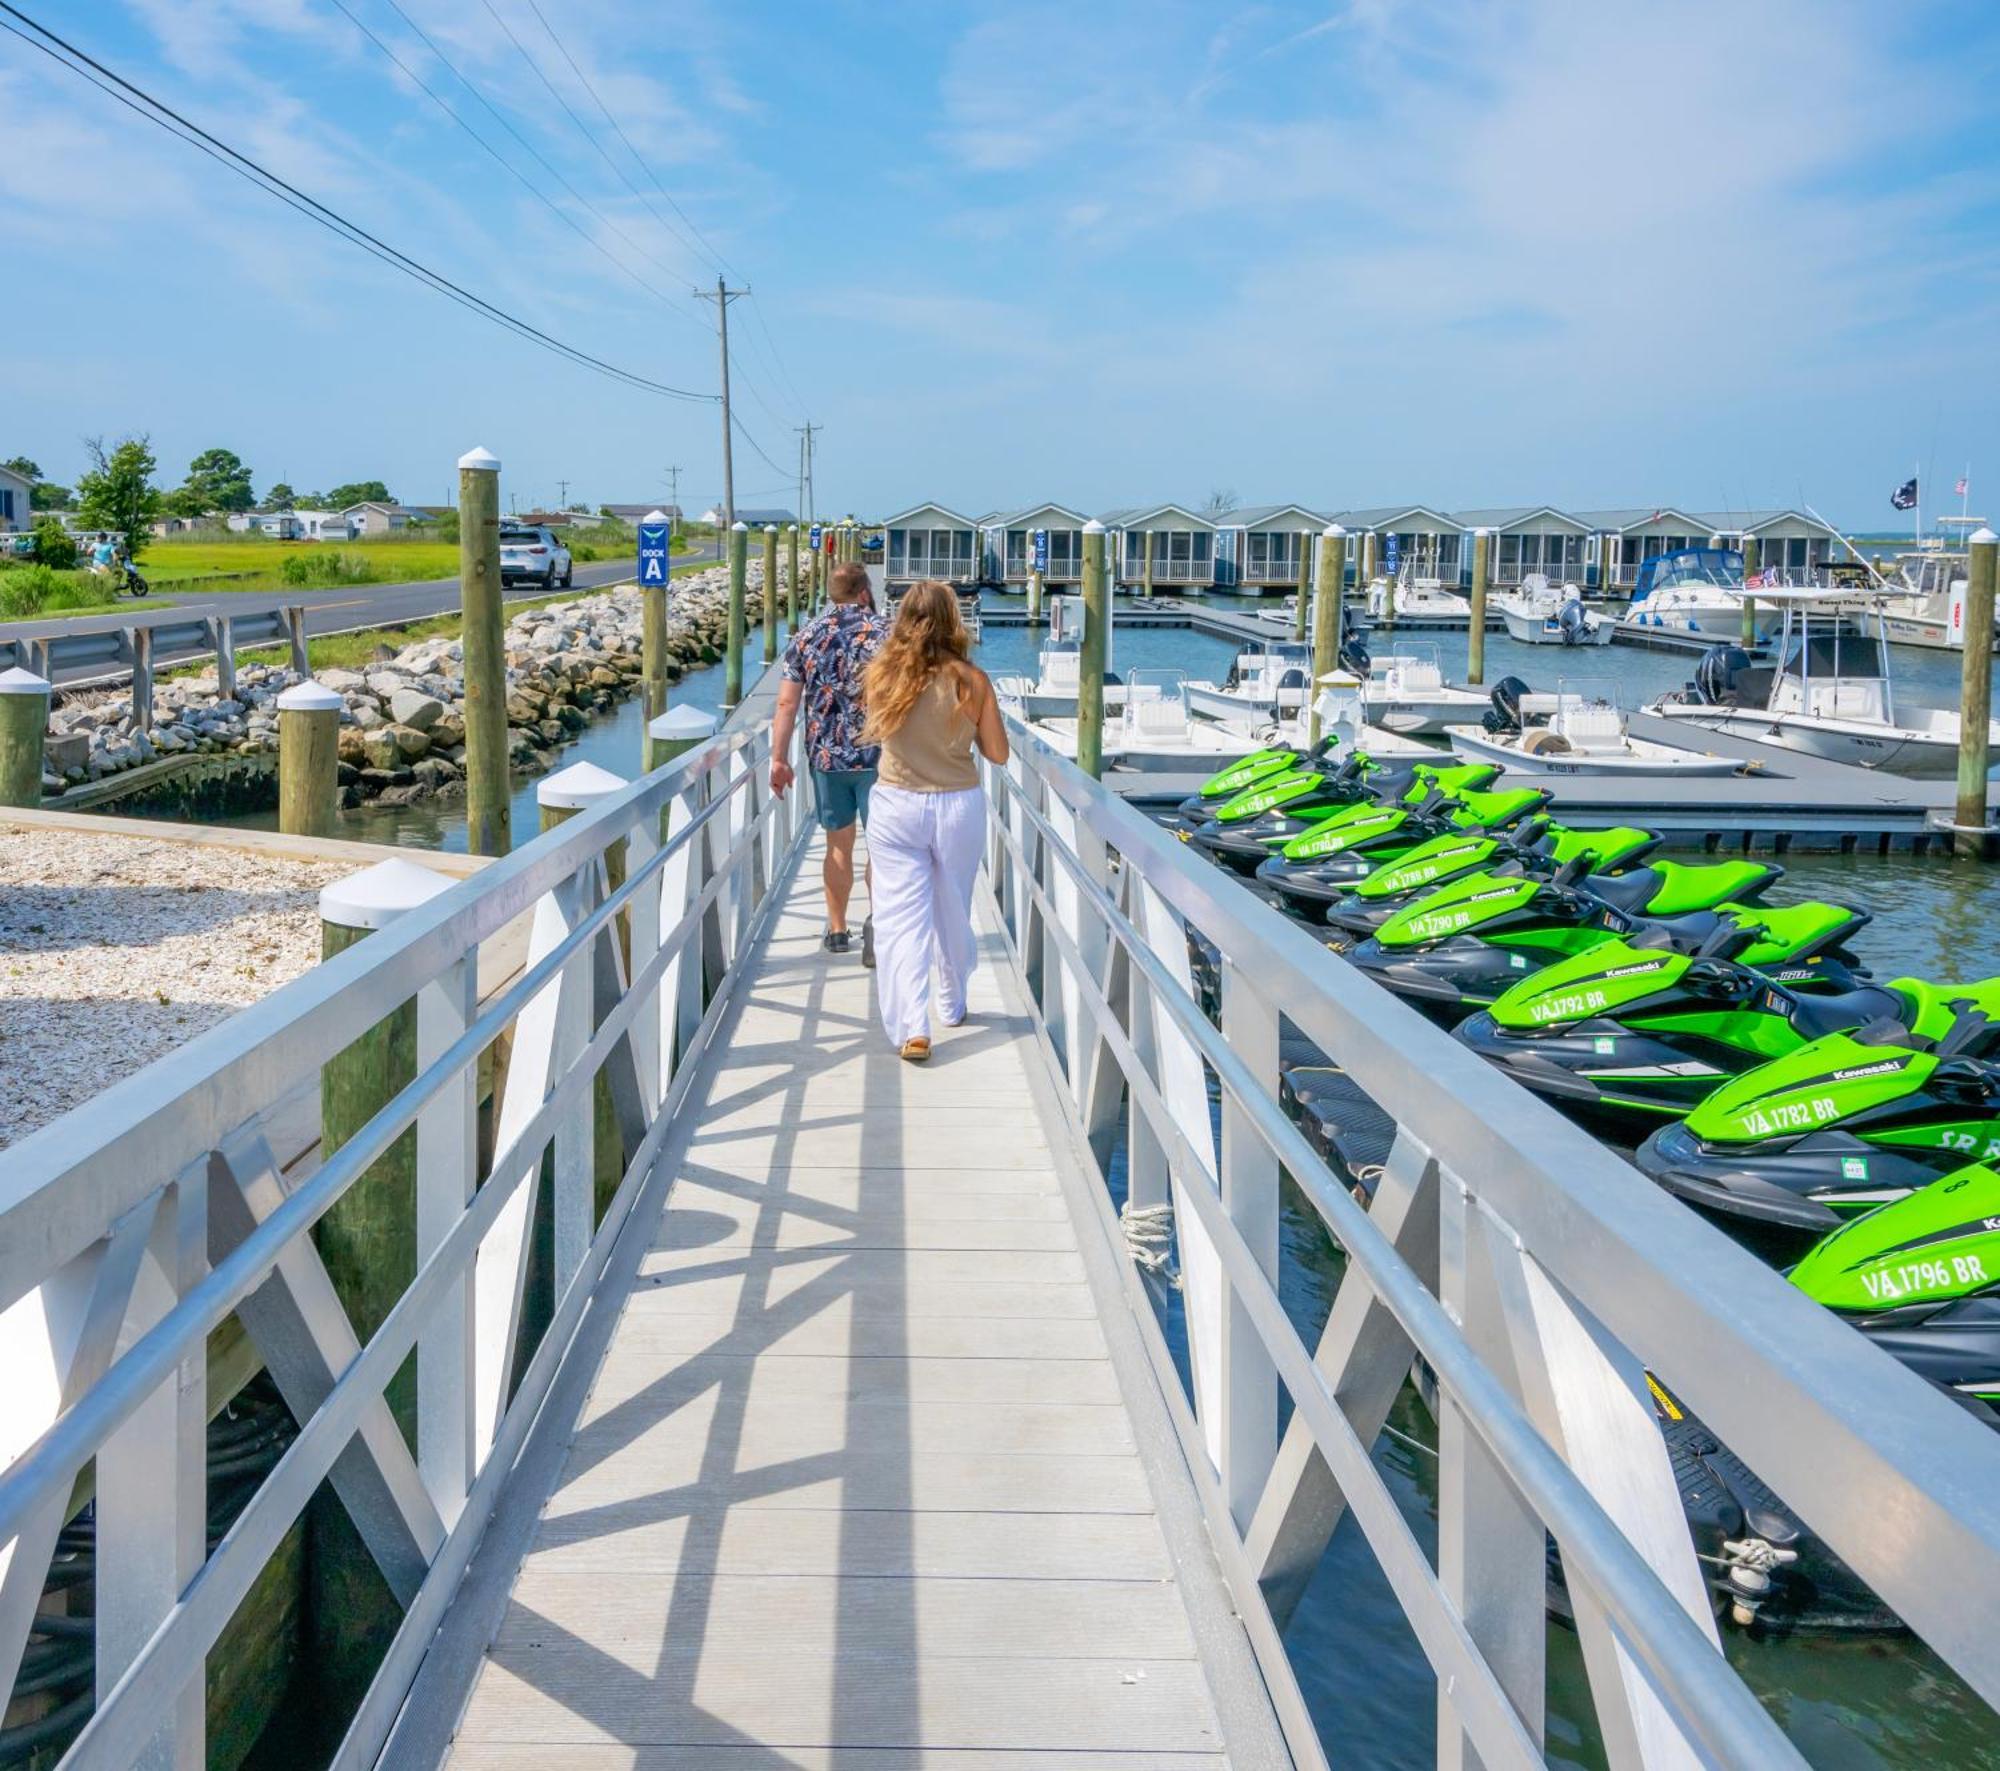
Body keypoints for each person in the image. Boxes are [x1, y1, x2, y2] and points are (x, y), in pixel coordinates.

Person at [859, 579, 1009, 1063]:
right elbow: (999, 754)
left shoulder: (883, 674)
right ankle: (952, 1000)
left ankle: (913, 1028)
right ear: (953, 620)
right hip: (956, 804)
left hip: (897, 803)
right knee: (952, 908)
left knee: (900, 919)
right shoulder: (970, 680)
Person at [770, 560, 888, 955]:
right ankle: (878, 928)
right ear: (865, 592)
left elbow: (787, 703)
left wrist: (778, 759)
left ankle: (838, 931)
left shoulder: (806, 637)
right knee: (883, 847)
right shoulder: (887, 634)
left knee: (838, 846)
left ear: (831, 594)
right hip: (880, 757)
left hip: (827, 758)